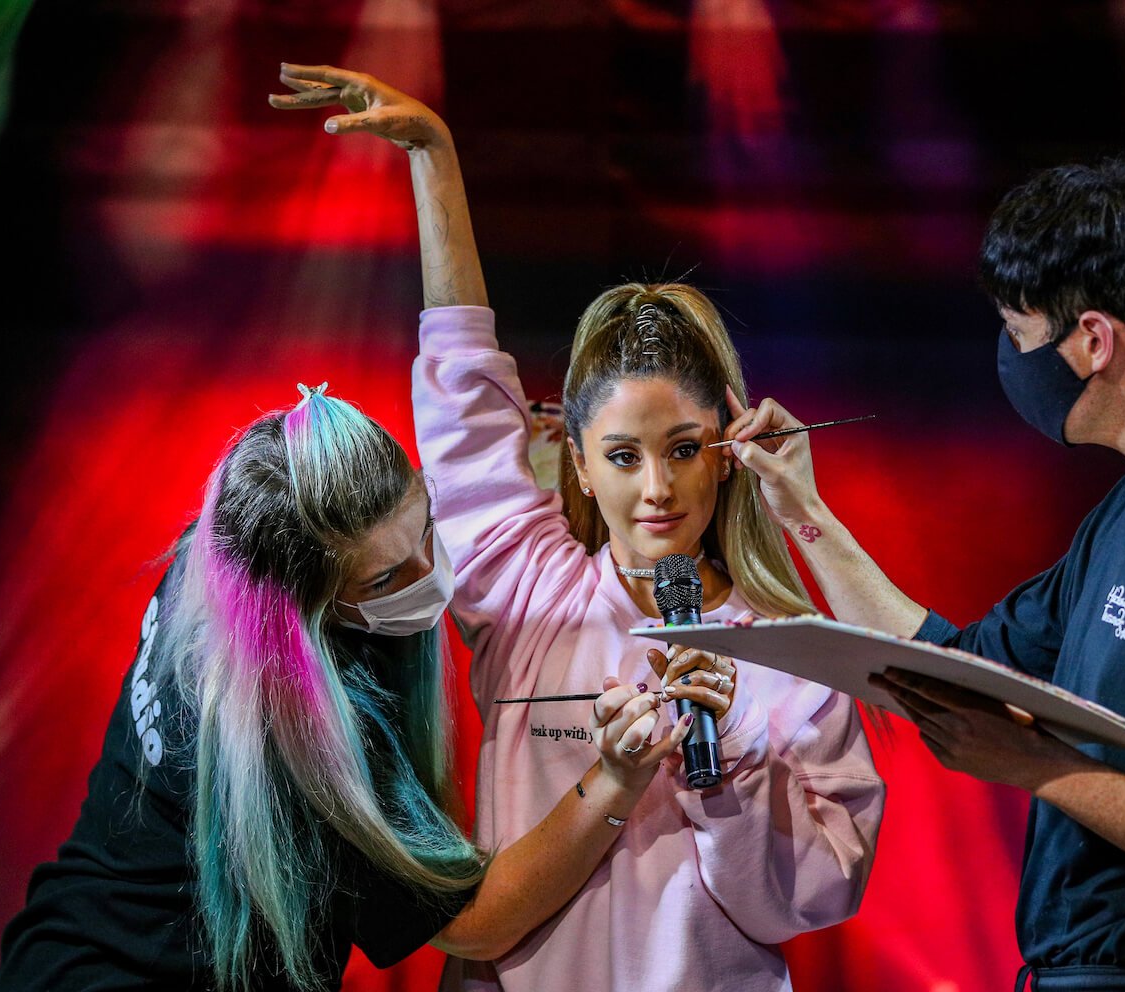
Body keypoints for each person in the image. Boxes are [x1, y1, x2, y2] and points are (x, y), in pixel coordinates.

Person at [269, 65, 886, 991]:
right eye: (624, 456)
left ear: (725, 446)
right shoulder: (529, 596)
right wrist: (434, 161)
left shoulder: (796, 655)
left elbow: (809, 899)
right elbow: (464, 402)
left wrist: (729, 772)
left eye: (683, 448)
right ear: (578, 464)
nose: (658, 488)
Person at [720, 160, 1125, 989]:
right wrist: (799, 506)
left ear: (1092, 340)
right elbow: (956, 665)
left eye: (1021, 336)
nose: (1013, 363)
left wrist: (1035, 766)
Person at [0, 273, 693, 989]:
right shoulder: (304, 731)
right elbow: (473, 921)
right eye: (384, 581)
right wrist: (612, 780)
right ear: (305, 608)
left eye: (425, 526)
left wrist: (536, 470)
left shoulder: (224, 547)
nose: (429, 574)